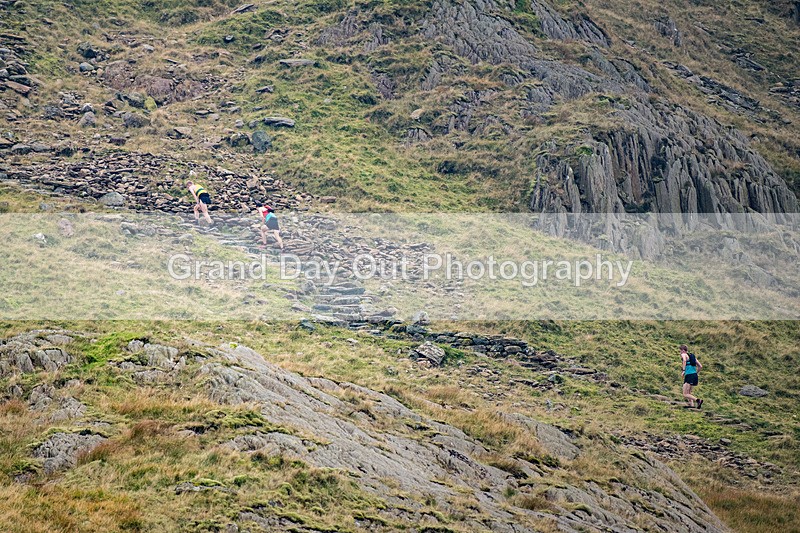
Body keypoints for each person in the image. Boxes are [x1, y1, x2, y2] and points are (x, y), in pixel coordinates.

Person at [680, 345, 703, 409]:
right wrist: (696, 373)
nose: (680, 353)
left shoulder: (684, 354)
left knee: (685, 394)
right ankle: (691, 405)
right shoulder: (692, 356)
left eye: (680, 351)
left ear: (683, 350)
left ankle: (698, 400)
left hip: (689, 375)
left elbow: (684, 360)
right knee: (689, 392)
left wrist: (684, 370)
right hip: (694, 375)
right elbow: (700, 366)